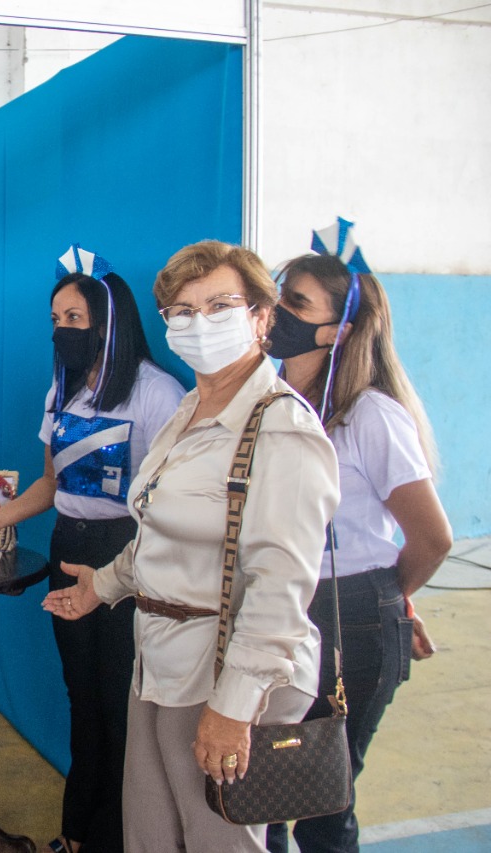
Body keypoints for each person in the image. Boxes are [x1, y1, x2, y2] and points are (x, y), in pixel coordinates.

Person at [43, 240, 339, 852]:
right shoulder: (189, 410)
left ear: (262, 316)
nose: (199, 322)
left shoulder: (281, 430)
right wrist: (104, 585)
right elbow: (158, 529)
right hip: (159, 659)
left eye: (220, 304)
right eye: (182, 310)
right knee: (151, 836)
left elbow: (280, 590)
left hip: (226, 669)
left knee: (216, 841)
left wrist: (234, 709)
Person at [0, 245, 183, 853]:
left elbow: (173, 502)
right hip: (66, 548)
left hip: (126, 557)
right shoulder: (61, 393)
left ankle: (121, 837)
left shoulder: (158, 394)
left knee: (121, 704)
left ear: (109, 322)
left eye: (74, 320)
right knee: (82, 699)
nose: (62, 331)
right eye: (55, 320)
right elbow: (53, 483)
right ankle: (77, 832)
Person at [265, 222, 452, 853]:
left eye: (297, 303)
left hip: (351, 617)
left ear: (338, 331)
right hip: (281, 610)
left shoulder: (370, 415)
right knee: (265, 796)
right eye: (278, 297)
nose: (276, 313)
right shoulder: (273, 402)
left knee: (320, 803)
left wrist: (387, 601)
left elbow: (432, 538)